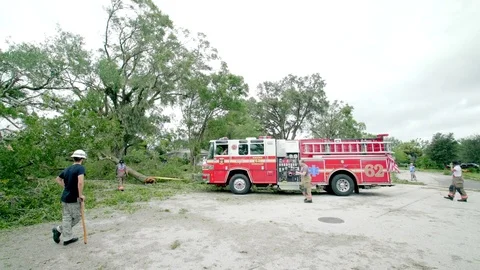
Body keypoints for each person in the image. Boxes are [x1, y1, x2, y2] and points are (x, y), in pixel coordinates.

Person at [51, 149, 87, 246]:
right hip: (72, 198)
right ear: (82, 159)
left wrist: (66, 187)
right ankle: (59, 230)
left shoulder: (67, 169)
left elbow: (58, 179)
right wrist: (80, 195)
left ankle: (67, 238)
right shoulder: (80, 168)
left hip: (64, 197)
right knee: (77, 217)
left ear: (74, 158)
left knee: (67, 218)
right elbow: (80, 182)